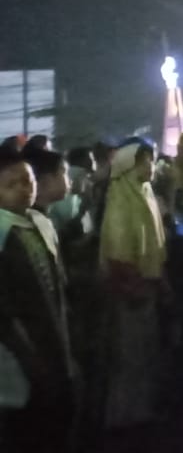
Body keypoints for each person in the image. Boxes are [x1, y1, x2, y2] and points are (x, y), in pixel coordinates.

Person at [0, 146, 76, 453]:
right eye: (11, 184)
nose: (23, 189)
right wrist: (27, 353)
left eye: (28, 181)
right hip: (17, 346)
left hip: (51, 335)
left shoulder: (38, 221)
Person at [99, 142, 167, 429]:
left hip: (147, 282)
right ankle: (122, 416)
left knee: (144, 350)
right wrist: (132, 286)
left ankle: (140, 410)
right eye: (143, 161)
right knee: (128, 353)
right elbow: (118, 250)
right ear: (128, 166)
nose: (150, 166)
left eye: (151, 160)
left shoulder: (145, 192)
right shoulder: (120, 198)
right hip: (129, 287)